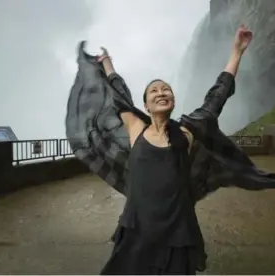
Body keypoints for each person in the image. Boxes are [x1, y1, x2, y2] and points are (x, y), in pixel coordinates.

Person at [95, 25, 253, 275]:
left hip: (177, 233)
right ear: (145, 105)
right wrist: (107, 64)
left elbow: (216, 98)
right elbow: (119, 93)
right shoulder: (136, 128)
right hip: (136, 230)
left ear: (173, 100)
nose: (161, 92)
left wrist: (237, 53)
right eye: (154, 91)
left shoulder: (187, 133)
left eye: (166, 89)